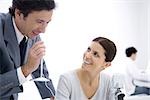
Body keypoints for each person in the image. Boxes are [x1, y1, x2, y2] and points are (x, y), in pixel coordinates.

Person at [0, 0, 56, 100]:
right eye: (39, 22)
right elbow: (31, 66)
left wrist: (52, 96)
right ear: (19, 13)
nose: (43, 30)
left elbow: (38, 67)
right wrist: (25, 70)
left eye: (47, 22)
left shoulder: (31, 31)